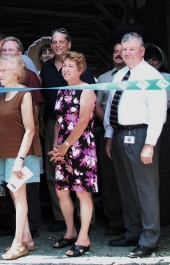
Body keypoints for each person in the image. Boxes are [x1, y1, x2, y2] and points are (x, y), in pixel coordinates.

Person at [104, 33, 167, 259]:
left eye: (132, 49)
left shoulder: (152, 75)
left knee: (146, 188)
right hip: (120, 135)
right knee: (127, 188)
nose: (128, 53)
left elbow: (158, 112)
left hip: (141, 134)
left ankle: (149, 239)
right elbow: (112, 106)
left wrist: (150, 144)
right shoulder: (120, 75)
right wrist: (110, 137)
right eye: (124, 49)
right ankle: (133, 232)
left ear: (142, 51)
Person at [39, 28, 94, 231]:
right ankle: (62, 219)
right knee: (56, 175)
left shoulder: (83, 72)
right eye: (54, 42)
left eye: (62, 41)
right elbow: (44, 96)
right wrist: (44, 122)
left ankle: (85, 222)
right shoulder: (46, 68)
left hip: (80, 130)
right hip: (56, 123)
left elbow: (85, 113)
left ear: (69, 44)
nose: (58, 45)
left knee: (81, 180)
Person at [48, 51, 97, 257]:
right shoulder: (62, 91)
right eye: (64, 65)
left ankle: (84, 238)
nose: (66, 69)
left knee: (82, 192)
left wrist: (66, 145)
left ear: (80, 69)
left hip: (81, 147)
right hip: (63, 147)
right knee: (61, 191)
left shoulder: (87, 90)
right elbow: (59, 121)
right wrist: (56, 146)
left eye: (71, 66)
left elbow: (83, 121)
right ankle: (70, 231)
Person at [0, 55, 41, 261]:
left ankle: (18, 244)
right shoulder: (5, 95)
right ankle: (28, 239)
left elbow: (30, 130)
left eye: (3, 70)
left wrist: (20, 160)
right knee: (14, 196)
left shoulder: (25, 94)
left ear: (16, 72)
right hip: (6, 154)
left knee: (20, 199)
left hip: (20, 155)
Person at [144, 43, 170, 225]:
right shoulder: (139, 78)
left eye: (155, 59)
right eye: (148, 59)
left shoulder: (167, 78)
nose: (152, 62)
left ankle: (168, 214)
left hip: (166, 125)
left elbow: (166, 103)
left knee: (167, 169)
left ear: (161, 61)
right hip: (144, 126)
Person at [93, 42, 127, 235]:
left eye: (122, 51)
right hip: (107, 130)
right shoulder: (105, 78)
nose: (118, 55)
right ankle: (114, 219)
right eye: (115, 52)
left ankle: (132, 218)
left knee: (129, 176)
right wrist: (108, 122)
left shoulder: (139, 77)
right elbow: (97, 104)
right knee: (109, 176)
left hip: (130, 130)